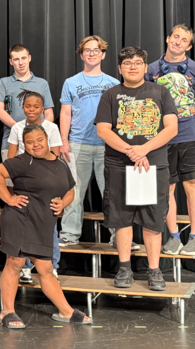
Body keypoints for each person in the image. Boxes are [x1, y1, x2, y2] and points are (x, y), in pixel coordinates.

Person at [0, 123, 91, 329]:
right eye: (29, 142)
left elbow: (70, 190)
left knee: (46, 268)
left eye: (39, 140)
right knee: (15, 263)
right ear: (24, 145)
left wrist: (63, 203)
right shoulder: (23, 161)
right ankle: (7, 311)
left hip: (43, 223)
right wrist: (8, 199)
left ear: (47, 139)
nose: (35, 145)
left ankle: (66, 311)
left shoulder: (60, 163)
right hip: (20, 218)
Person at [96, 46, 178, 291]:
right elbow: (103, 130)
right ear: (120, 68)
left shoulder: (160, 92)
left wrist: (143, 149)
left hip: (153, 166)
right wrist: (130, 151)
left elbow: (171, 128)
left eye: (138, 62)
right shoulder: (110, 95)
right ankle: (124, 268)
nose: (133, 66)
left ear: (145, 67)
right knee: (122, 218)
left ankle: (154, 270)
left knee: (153, 219)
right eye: (127, 63)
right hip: (119, 165)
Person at [145, 24, 195, 256]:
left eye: (184, 40)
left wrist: (193, 107)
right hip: (162, 138)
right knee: (168, 187)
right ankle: (173, 236)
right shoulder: (151, 69)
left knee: (191, 184)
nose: (178, 42)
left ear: (189, 46)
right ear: (168, 38)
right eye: (175, 37)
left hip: (189, 136)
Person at [58, 36, 129, 250]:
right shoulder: (71, 82)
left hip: (107, 145)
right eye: (87, 50)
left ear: (103, 55)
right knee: (74, 191)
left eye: (96, 50)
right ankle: (69, 234)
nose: (91, 53)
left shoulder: (114, 83)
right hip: (77, 143)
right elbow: (65, 113)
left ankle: (119, 237)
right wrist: (63, 140)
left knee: (112, 192)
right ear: (81, 55)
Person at [6, 90, 63, 283]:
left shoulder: (51, 128)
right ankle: (26, 268)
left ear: (42, 108)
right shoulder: (17, 128)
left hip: (45, 182)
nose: (31, 109)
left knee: (48, 226)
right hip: (24, 183)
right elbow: (11, 157)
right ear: (23, 108)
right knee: (25, 226)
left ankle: (52, 266)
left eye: (36, 106)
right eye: (28, 106)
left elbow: (55, 156)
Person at [0, 44, 55, 163]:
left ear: (29, 58)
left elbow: (49, 112)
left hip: (39, 143)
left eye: (23, 58)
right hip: (11, 142)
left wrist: (37, 131)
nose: (21, 63)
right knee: (11, 174)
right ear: (11, 62)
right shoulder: (4, 83)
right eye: (16, 59)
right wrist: (20, 129)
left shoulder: (42, 83)